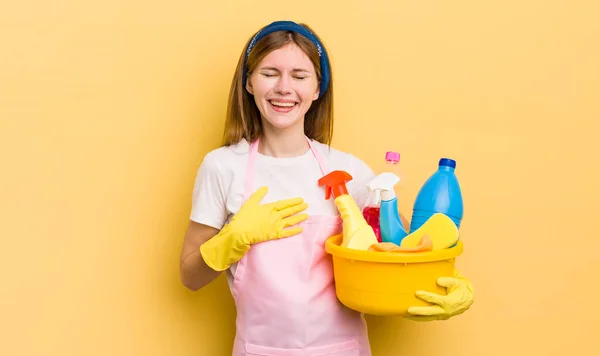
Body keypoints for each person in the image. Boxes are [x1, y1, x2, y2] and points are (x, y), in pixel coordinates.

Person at [179, 20, 474, 355]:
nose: (284, 87)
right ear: (248, 81)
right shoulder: (222, 166)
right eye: (270, 73)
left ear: (318, 88)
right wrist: (229, 242)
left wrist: (446, 285)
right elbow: (190, 277)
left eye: (300, 76)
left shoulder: (351, 172)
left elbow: (407, 252)